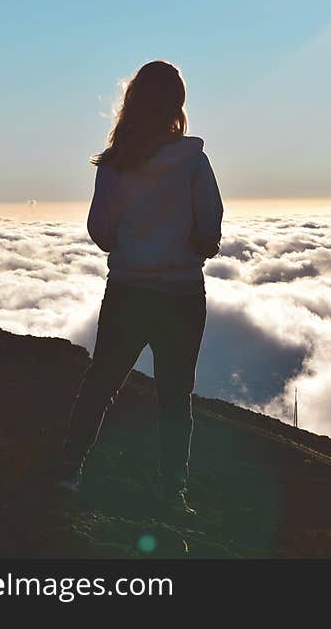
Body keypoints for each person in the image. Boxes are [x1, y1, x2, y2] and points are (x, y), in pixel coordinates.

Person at [56, 60, 223, 518]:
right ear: (178, 105)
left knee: (101, 383)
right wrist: (185, 251)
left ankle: (69, 471)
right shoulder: (194, 162)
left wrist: (133, 248)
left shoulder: (114, 166)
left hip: (128, 290)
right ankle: (173, 494)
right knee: (175, 398)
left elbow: (101, 230)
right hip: (182, 296)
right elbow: (209, 230)